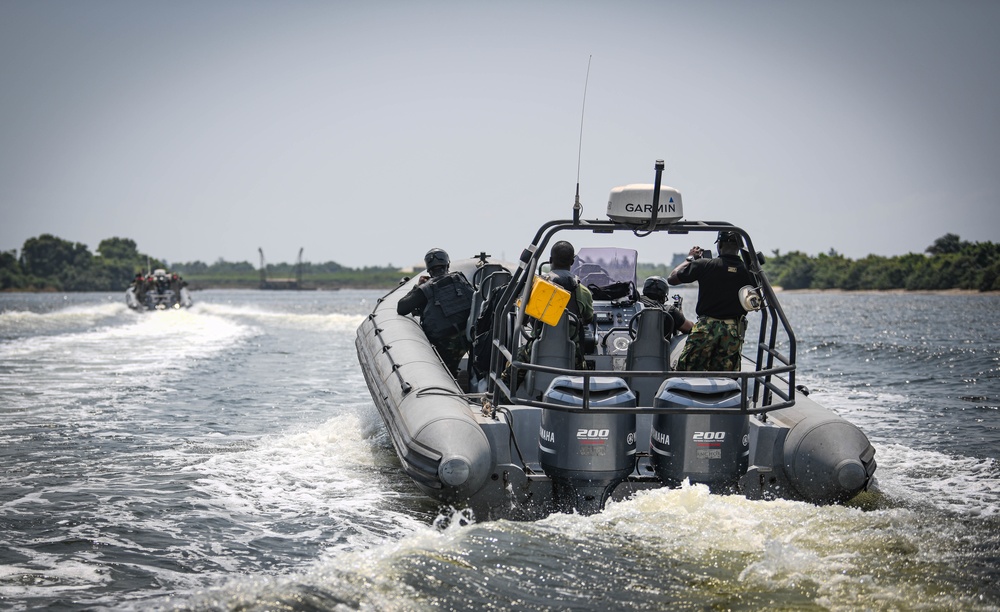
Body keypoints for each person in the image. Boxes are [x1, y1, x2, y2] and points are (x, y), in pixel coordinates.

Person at [667, 230, 754, 371]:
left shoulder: (704, 265)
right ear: (739, 248)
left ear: (719, 245)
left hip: (705, 329)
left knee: (687, 373)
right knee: (727, 377)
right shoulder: (749, 271)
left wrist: (690, 258)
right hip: (732, 331)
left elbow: (672, 278)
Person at [396, 248, 474, 379]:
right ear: (447, 265)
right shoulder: (460, 279)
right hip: (467, 337)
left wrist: (417, 287)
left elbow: (402, 307)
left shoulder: (426, 288)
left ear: (429, 269)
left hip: (444, 344)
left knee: (445, 375)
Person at [536, 240, 595, 367]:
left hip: (538, 346)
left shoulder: (537, 287)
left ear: (550, 260)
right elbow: (588, 319)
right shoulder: (584, 292)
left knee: (512, 369)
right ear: (572, 262)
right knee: (584, 377)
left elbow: (527, 319)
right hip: (573, 351)